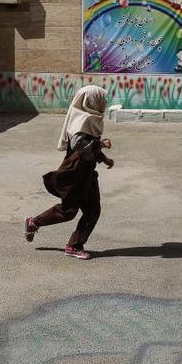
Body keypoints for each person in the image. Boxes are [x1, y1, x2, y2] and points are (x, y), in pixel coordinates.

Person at [25, 85, 114, 260]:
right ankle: (34, 222)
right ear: (91, 100)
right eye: (101, 98)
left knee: (93, 210)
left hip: (87, 172)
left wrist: (104, 159)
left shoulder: (92, 118)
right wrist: (101, 144)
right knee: (68, 211)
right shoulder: (82, 119)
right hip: (75, 172)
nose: (104, 102)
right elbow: (79, 145)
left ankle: (74, 246)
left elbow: (90, 146)